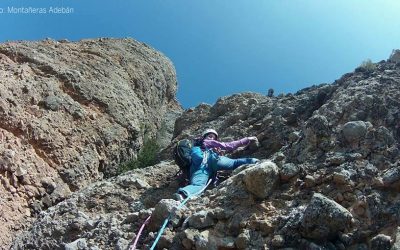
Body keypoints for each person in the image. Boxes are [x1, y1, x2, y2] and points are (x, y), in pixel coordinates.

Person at [174, 128, 259, 201]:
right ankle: (254, 161)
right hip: (211, 160)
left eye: (214, 138)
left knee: (198, 185)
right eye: (210, 136)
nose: (212, 139)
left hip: (200, 168)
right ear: (204, 137)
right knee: (234, 163)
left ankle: (183, 194)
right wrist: (247, 139)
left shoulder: (195, 148)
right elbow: (229, 146)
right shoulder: (207, 142)